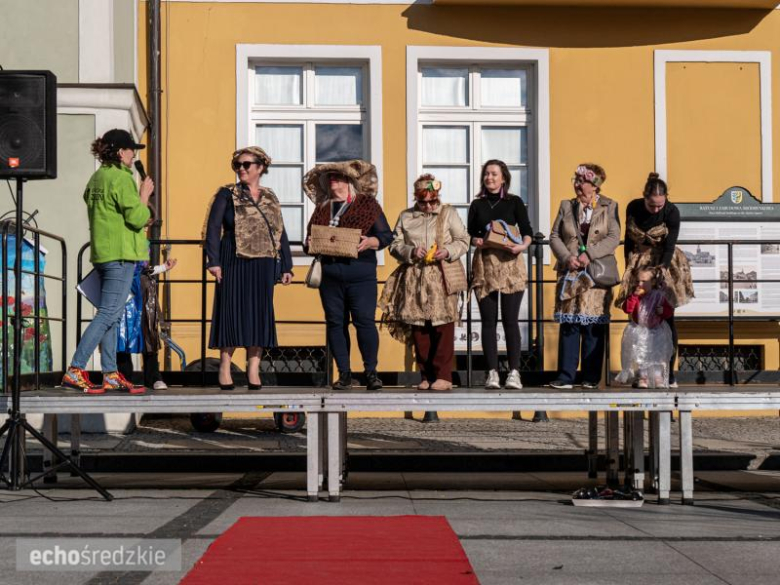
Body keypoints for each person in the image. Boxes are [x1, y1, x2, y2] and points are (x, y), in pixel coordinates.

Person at [61, 129, 153, 394]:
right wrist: (144, 195)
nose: (134, 155)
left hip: (103, 253)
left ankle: (111, 373)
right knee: (108, 314)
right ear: (121, 152)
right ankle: (75, 369)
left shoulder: (97, 177)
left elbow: (95, 204)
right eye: (132, 150)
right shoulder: (122, 179)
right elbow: (137, 217)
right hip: (120, 254)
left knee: (112, 314)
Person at [204, 147, 293, 390]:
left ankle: (253, 367)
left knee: (259, 312)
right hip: (233, 258)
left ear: (260, 167)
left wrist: (286, 265)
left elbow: (280, 230)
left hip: (264, 262)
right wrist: (213, 261)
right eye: (237, 165)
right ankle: (225, 366)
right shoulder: (227, 194)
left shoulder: (270, 196)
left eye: (246, 164)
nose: (241, 169)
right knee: (231, 310)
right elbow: (213, 228)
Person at [303, 160, 392, 391]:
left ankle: (371, 373)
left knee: (364, 322)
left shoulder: (367, 205)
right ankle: (344, 374)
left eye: (338, 176)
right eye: (330, 177)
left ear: (349, 181)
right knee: (335, 323)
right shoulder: (322, 207)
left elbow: (386, 236)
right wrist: (309, 243)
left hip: (360, 273)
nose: (333, 179)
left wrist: (371, 241)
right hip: (330, 275)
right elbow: (309, 239)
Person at [379, 174, 469, 395]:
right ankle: (426, 375)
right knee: (419, 327)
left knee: (442, 325)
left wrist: (448, 251)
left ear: (438, 197)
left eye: (432, 201)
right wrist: (410, 251)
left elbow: (463, 240)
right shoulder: (406, 216)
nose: (428, 206)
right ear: (416, 198)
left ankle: (443, 376)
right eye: (423, 202)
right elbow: (394, 244)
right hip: (415, 277)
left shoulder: (449, 213)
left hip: (442, 275)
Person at [615, 173, 694, 388]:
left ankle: (668, 373)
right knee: (639, 317)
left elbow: (670, 245)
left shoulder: (672, 211)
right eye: (652, 205)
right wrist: (629, 268)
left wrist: (662, 270)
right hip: (639, 262)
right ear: (644, 197)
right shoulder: (633, 207)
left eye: (660, 204)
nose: (657, 209)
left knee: (666, 318)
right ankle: (642, 373)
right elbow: (629, 240)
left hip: (664, 262)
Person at [549, 163, 620, 389]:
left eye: (583, 181)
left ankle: (590, 377)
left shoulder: (609, 206)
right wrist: (566, 257)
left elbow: (613, 237)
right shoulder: (566, 206)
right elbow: (554, 236)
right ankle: (566, 376)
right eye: (576, 181)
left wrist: (589, 254)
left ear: (595, 185)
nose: (578, 185)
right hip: (570, 271)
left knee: (593, 324)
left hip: (595, 272)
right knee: (569, 323)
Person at [467, 159, 532, 390]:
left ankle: (514, 373)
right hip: (485, 265)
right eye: (486, 174)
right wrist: (475, 240)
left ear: (503, 177)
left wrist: (522, 246)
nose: (489, 177)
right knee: (488, 321)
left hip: (510, 265)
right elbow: (470, 233)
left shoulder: (514, 202)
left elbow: (527, 231)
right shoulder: (477, 204)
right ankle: (492, 373)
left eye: (494, 174)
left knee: (510, 320)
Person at [116, 257, 177, 390]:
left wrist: (163, 267)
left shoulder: (141, 247)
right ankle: (124, 377)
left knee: (149, 333)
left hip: (143, 290)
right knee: (122, 333)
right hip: (121, 286)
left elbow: (143, 268)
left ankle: (153, 377)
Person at [615, 266, 675, 388]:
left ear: (652, 282)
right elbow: (627, 309)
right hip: (640, 330)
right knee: (640, 354)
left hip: (656, 331)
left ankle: (658, 378)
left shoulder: (659, 296)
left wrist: (663, 311)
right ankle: (643, 378)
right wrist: (633, 296)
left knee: (657, 355)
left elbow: (669, 311)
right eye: (638, 281)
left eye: (643, 281)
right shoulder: (636, 295)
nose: (639, 284)